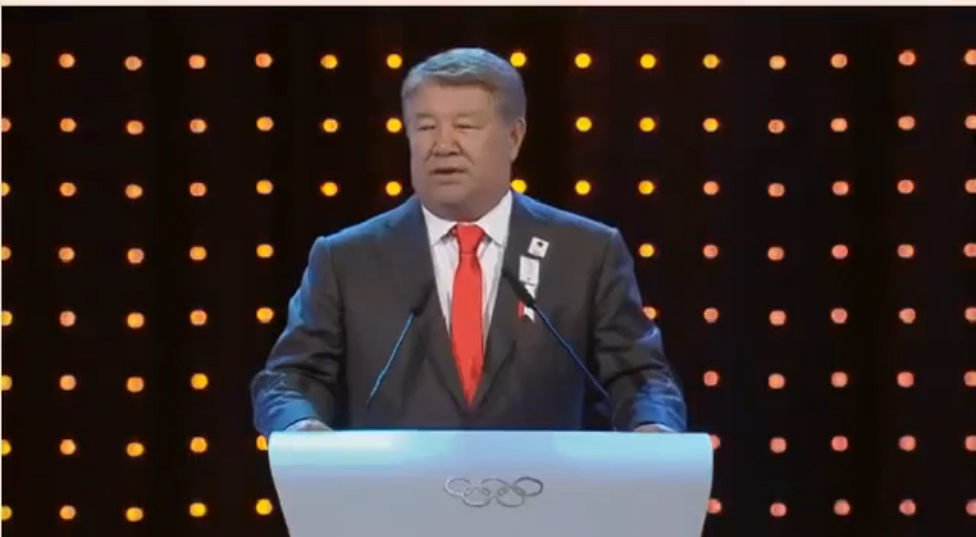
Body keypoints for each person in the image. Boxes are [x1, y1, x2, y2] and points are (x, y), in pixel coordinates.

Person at [250, 47, 686, 435]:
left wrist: (653, 425)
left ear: (514, 137)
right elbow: (290, 380)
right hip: (394, 497)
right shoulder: (346, 259)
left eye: (465, 125)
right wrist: (299, 424)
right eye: (425, 126)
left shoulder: (586, 252)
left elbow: (641, 377)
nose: (443, 145)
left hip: (542, 496)